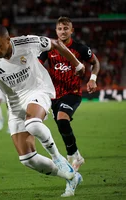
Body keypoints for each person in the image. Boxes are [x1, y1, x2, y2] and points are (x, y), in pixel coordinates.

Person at [0, 24, 85, 197]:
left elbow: (56, 44)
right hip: (14, 104)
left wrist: (77, 64)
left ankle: (57, 157)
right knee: (28, 159)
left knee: (33, 124)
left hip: (38, 89)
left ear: (8, 40)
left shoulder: (27, 42)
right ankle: (72, 176)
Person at [39, 16, 100, 172]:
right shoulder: (49, 49)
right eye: (59, 29)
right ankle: (76, 155)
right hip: (54, 95)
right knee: (61, 125)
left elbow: (95, 62)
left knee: (62, 118)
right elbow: (37, 64)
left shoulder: (80, 48)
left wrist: (92, 79)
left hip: (72, 93)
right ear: (56, 31)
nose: (62, 31)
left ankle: (72, 155)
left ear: (71, 30)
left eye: (66, 28)